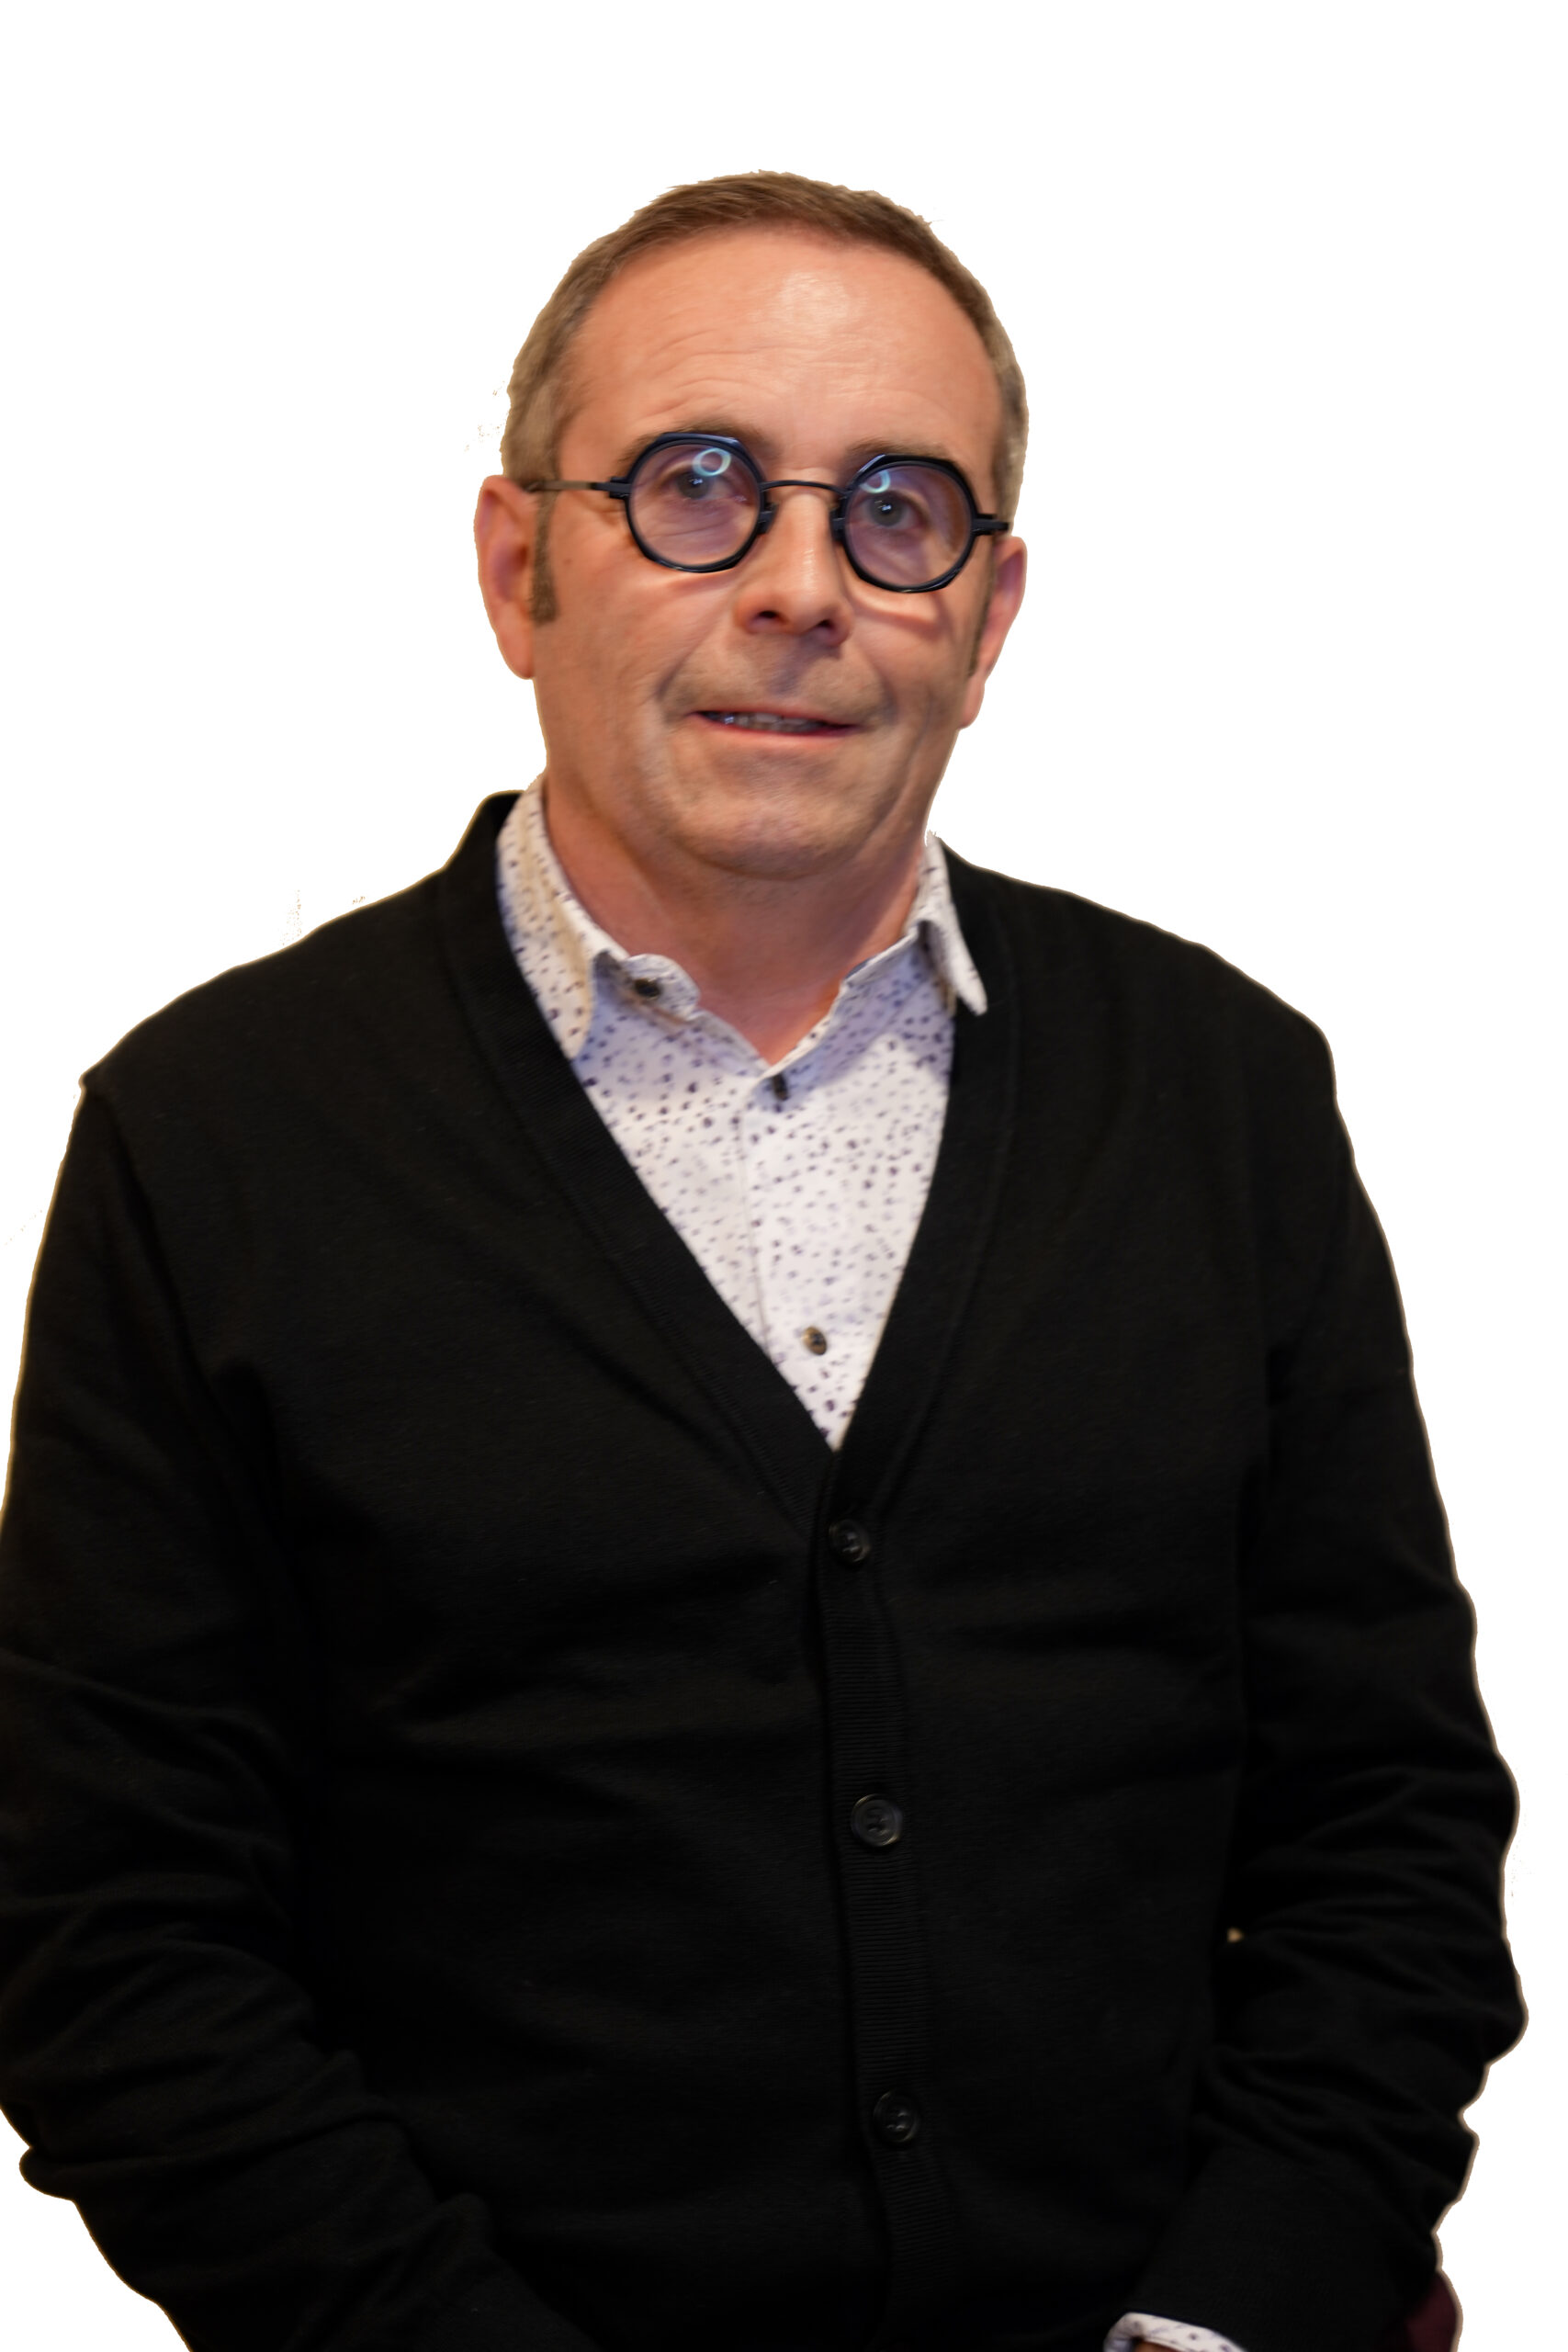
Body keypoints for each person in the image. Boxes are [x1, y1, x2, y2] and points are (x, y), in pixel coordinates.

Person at [0, 172, 1520, 2352]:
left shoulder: (1220, 1092)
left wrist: (1229, 2312)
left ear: (986, 616)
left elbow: (1384, 1818)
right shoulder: (216, 1139)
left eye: (897, 510)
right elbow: (113, 1938)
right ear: (517, 569)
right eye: (695, 486)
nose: (801, 586)